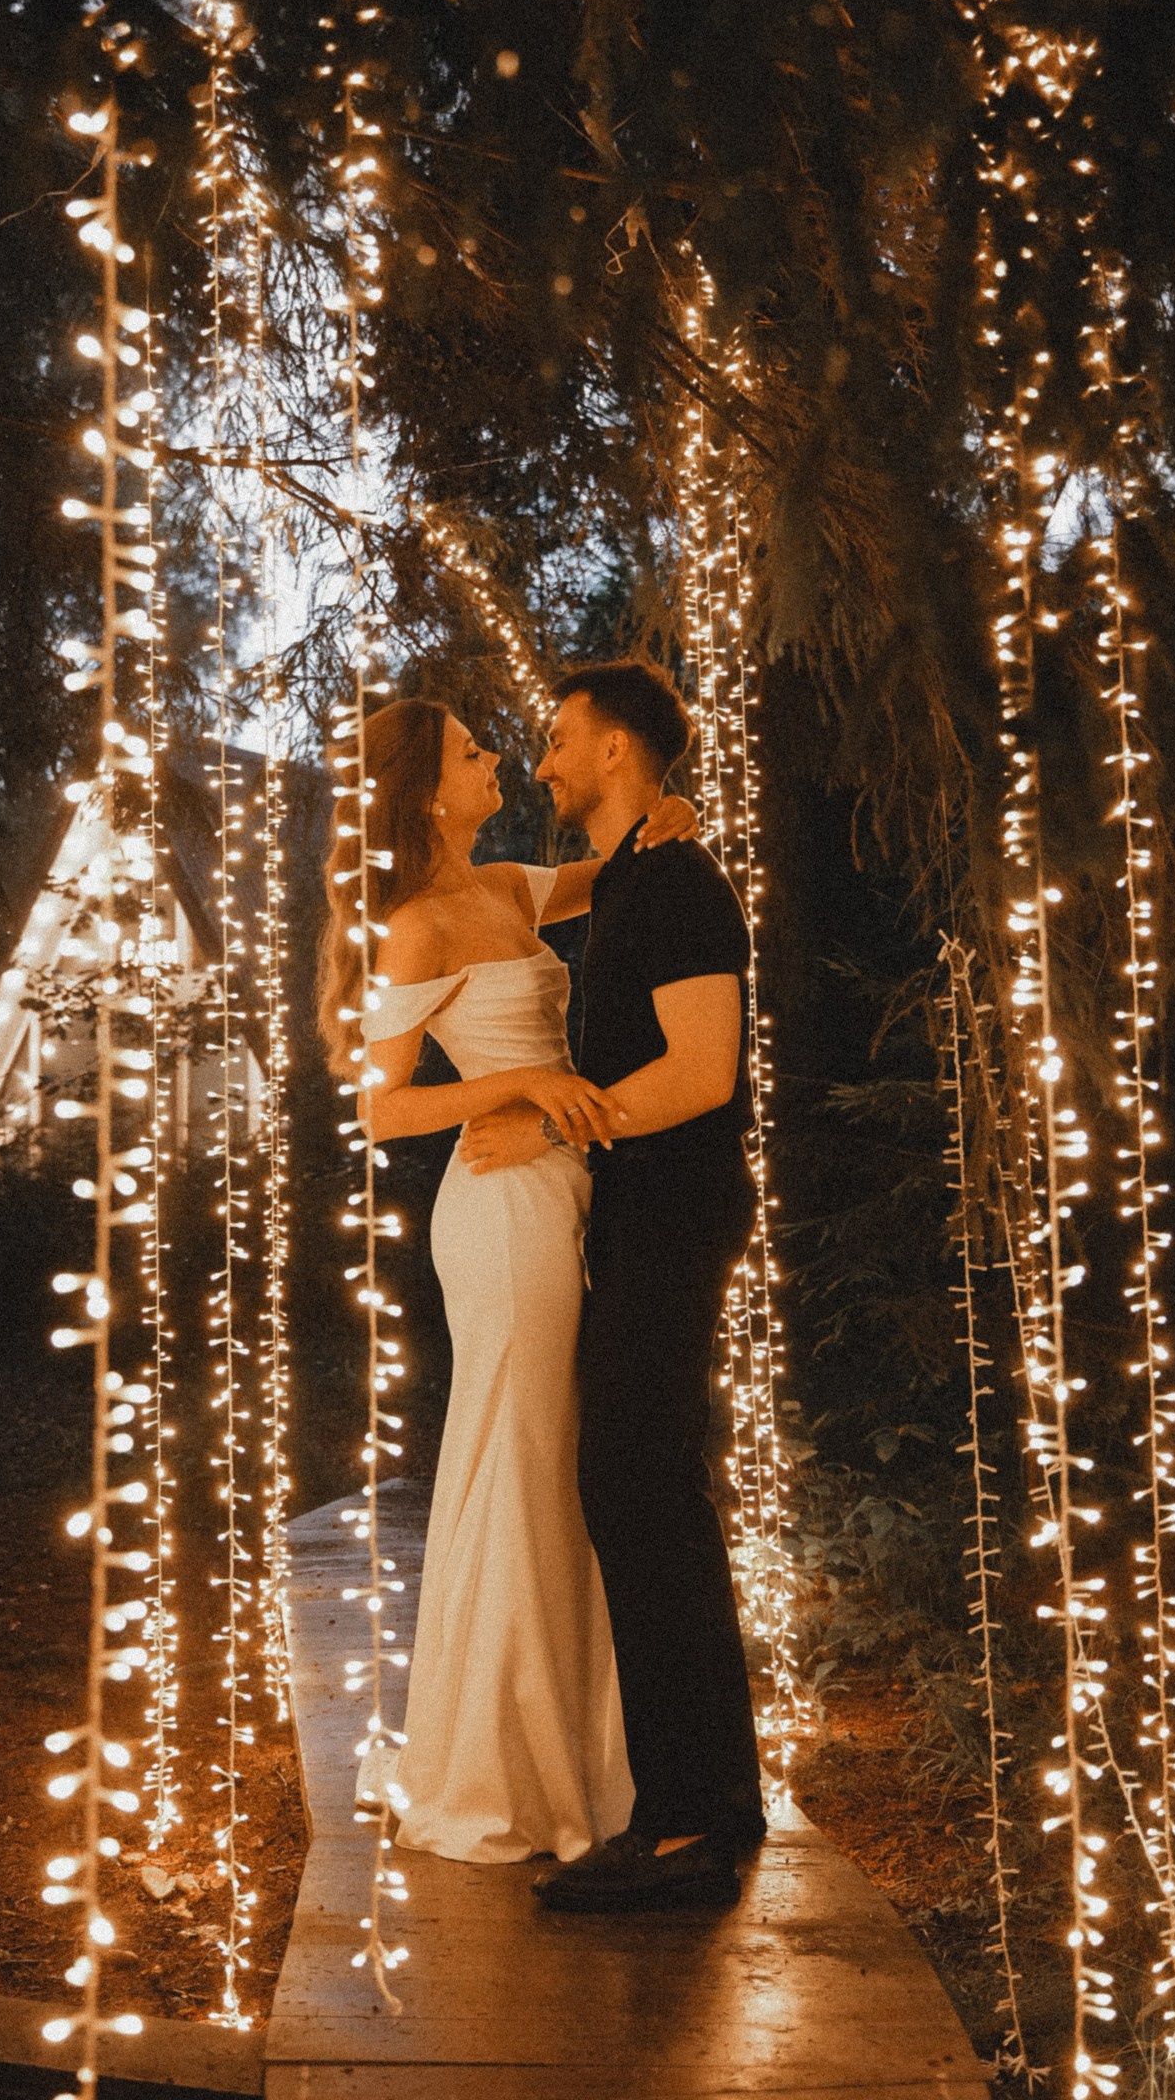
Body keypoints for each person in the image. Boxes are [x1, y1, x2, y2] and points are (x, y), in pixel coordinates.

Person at [316, 696, 697, 1865]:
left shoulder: (507, 890)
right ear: (428, 790)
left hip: (561, 1182)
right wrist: (517, 1087)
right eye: (473, 752)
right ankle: (500, 1772)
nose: (500, 763)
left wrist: (672, 815)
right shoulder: (417, 925)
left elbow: (617, 868)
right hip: (498, 1205)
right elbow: (380, 1107)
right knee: (521, 1459)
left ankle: (580, 1751)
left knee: (561, 1462)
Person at [460, 660, 766, 1912]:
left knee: (640, 1488)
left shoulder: (680, 883)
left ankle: (688, 1828)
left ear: (616, 750)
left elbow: (701, 1072)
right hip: (639, 1217)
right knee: (643, 1490)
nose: (540, 763)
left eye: (557, 740)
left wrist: (551, 1123)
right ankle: (706, 1802)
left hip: (676, 1213)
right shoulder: (637, 871)